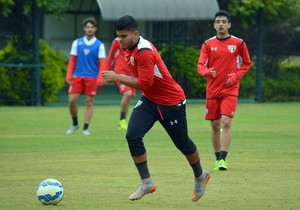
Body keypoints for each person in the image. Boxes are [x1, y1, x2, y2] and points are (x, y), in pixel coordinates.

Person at [102, 15, 210, 202]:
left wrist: (116, 76)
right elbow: (146, 86)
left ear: (136, 34)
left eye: (124, 36)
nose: (120, 40)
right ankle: (146, 182)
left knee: (183, 144)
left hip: (171, 102)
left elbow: (145, 83)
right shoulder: (128, 46)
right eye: (118, 36)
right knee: (132, 135)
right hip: (150, 101)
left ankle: (200, 176)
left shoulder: (143, 52)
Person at [197, 10, 252, 170]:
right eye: (218, 22)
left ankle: (223, 159)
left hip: (230, 89)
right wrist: (208, 73)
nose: (221, 24)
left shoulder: (239, 43)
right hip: (213, 91)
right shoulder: (207, 44)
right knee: (215, 125)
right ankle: (217, 158)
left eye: (223, 21)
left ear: (229, 24)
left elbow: (246, 64)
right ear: (214, 25)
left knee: (226, 122)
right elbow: (200, 65)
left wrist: (235, 77)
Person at [65, 17, 106, 135]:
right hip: (78, 76)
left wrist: (100, 78)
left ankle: (85, 128)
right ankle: (75, 124)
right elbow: (72, 60)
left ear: (95, 29)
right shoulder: (77, 43)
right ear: (84, 28)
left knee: (89, 102)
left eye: (92, 27)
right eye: (88, 27)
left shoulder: (100, 45)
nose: (90, 29)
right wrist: (69, 75)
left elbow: (102, 63)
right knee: (72, 101)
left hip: (92, 77)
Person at [105, 38, 136, 130]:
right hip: (120, 72)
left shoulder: (135, 41)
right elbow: (111, 56)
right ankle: (122, 120)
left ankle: (123, 122)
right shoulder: (116, 41)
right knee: (128, 94)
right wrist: (106, 72)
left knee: (129, 97)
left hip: (132, 73)